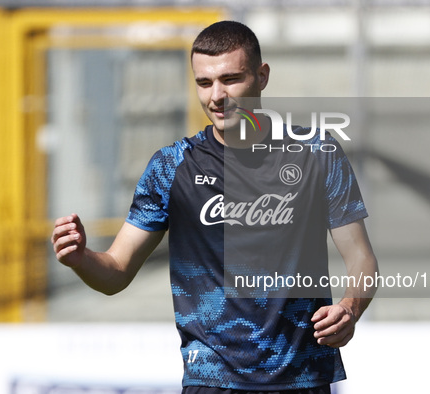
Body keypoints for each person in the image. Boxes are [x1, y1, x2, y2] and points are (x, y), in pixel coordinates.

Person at [52, 21, 378, 394]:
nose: (216, 96)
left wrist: (350, 308)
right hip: (211, 380)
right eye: (204, 83)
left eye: (231, 79)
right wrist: (80, 258)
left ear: (262, 76)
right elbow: (116, 272)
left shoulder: (317, 155)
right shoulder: (171, 167)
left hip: (301, 376)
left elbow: (361, 258)